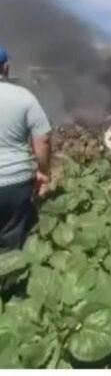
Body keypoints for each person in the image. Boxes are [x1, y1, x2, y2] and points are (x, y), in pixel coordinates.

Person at [0, 46, 52, 253]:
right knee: (13, 248)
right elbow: (44, 139)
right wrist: (44, 173)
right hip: (16, 183)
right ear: (6, 67)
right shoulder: (24, 97)